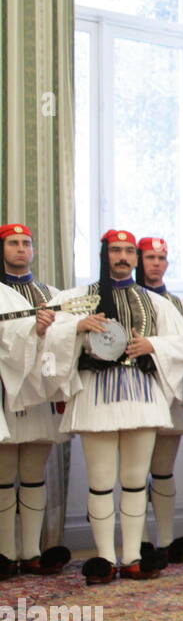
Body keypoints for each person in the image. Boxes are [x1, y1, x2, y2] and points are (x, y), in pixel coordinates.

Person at [44, 229, 183, 584]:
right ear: (103, 254)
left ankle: (131, 557)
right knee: (99, 481)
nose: (123, 257)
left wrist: (152, 345)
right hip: (96, 393)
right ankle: (103, 558)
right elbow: (49, 334)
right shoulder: (77, 297)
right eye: (116, 250)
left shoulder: (156, 302)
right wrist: (77, 327)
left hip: (141, 393)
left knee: (133, 479)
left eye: (129, 250)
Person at [0, 222, 71, 577]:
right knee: (3, 474)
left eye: (26, 242)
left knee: (32, 473)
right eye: (13, 243)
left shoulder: (51, 293)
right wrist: (32, 328)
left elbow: (64, 342)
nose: (21, 249)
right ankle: (4, 552)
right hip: (6, 392)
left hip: (40, 393)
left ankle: (31, 551)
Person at [135, 236, 183, 566]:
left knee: (162, 470)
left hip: (169, 392)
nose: (156, 263)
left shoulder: (180, 305)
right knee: (135, 473)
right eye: (149, 257)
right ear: (138, 260)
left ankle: (166, 540)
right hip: (135, 393)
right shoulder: (126, 299)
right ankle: (140, 541)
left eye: (161, 257)